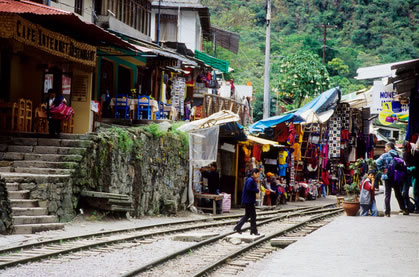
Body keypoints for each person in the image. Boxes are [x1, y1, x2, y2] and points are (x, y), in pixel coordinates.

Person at [375, 142, 407, 216]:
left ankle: (387, 212)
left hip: (387, 177)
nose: (385, 149)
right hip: (396, 177)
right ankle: (404, 209)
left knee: (387, 194)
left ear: (389, 147)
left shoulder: (385, 155)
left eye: (385, 147)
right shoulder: (398, 155)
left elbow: (377, 162)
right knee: (398, 193)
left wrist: (382, 169)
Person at [234, 168, 260, 235]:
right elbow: (249, 189)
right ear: (254, 173)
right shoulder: (250, 180)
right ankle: (253, 230)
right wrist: (256, 190)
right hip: (249, 200)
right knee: (253, 215)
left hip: (249, 200)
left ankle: (238, 227)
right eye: (257, 174)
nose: (258, 175)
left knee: (248, 215)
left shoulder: (250, 179)